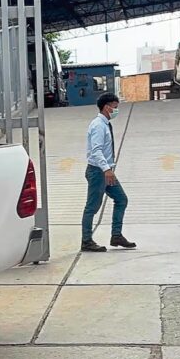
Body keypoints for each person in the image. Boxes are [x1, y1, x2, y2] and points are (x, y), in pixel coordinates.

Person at [80, 93, 136, 252]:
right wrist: (106, 169)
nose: (116, 110)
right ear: (106, 107)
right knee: (92, 207)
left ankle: (116, 235)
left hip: (105, 171)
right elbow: (96, 151)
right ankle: (86, 240)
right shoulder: (98, 125)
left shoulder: (104, 124)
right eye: (115, 107)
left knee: (121, 199)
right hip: (98, 172)